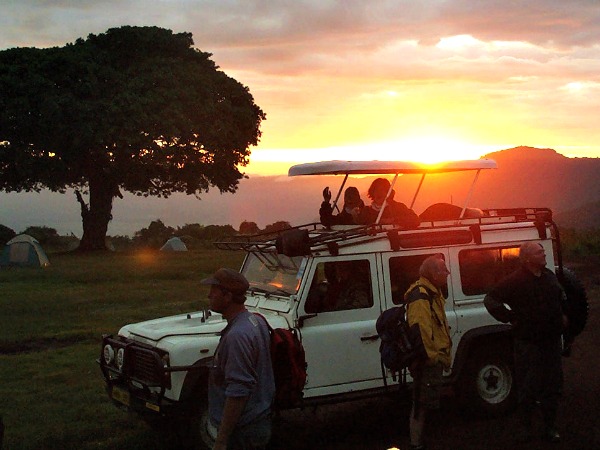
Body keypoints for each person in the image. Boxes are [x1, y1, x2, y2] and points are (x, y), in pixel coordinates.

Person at [484, 242, 568, 443]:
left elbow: (560, 296)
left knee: (552, 386)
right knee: (528, 388)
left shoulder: (549, 276)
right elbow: (490, 299)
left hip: (551, 341)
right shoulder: (515, 280)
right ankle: (526, 429)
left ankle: (549, 428)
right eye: (540, 252)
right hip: (528, 343)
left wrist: (564, 315)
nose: (544, 254)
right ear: (528, 258)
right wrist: (510, 316)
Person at [202, 268, 275, 450]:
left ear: (227, 296)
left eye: (214, 290)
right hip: (257, 420)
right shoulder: (255, 321)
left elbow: (238, 392)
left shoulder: (237, 335)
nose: (208, 295)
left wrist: (221, 440)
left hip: (243, 429)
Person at [404, 255, 452, 450]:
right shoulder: (421, 295)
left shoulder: (432, 293)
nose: (447, 273)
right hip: (427, 361)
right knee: (421, 403)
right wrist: (432, 359)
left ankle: (422, 441)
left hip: (433, 359)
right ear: (433, 273)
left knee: (428, 401)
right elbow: (420, 331)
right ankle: (416, 444)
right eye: (443, 270)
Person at [355, 178, 420, 228]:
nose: (378, 193)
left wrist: (394, 220)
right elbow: (357, 226)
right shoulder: (367, 211)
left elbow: (415, 220)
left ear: (388, 192)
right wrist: (354, 215)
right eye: (376, 190)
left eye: (382, 190)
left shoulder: (398, 207)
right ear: (372, 192)